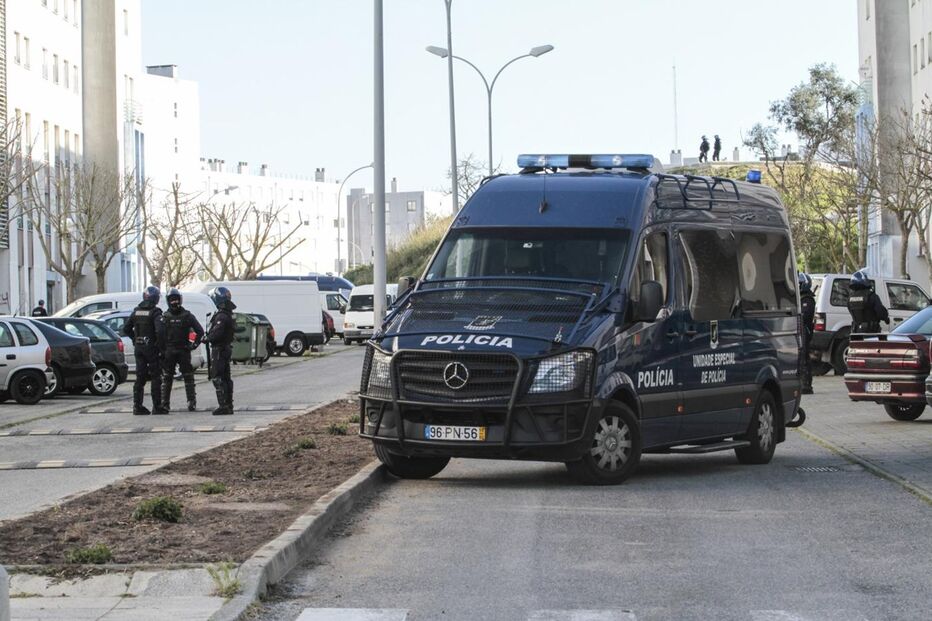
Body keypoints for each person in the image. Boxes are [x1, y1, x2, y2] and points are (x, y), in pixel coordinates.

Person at [159, 288, 204, 413]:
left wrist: (193, 345)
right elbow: (160, 335)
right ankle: (171, 403)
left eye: (176, 300)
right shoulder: (166, 316)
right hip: (176, 350)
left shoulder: (183, 316)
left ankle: (170, 403)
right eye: (172, 300)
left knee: (179, 377)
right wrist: (193, 345)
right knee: (173, 377)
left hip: (179, 350)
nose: (174, 303)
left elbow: (200, 331)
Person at [123, 286, 165, 415]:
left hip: (139, 348)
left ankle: (137, 406)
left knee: (140, 377)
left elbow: (125, 329)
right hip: (152, 348)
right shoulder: (155, 312)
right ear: (156, 298)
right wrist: (160, 345)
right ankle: (157, 406)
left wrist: (135, 339)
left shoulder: (136, 312)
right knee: (156, 377)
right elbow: (160, 330)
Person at [204, 286, 236, 415]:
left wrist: (207, 338)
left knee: (218, 377)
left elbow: (217, 333)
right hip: (226, 348)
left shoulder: (221, 316)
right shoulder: (228, 314)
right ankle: (228, 404)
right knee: (226, 377)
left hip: (219, 349)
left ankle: (223, 405)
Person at [847, 270, 889, 334]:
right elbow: (880, 312)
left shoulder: (850, 298)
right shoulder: (872, 296)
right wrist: (886, 318)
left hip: (856, 332)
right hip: (870, 332)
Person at [798, 272, 815, 395]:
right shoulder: (799, 298)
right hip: (799, 331)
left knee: (804, 357)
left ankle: (806, 384)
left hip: (805, 331)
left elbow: (805, 316)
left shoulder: (807, 299)